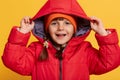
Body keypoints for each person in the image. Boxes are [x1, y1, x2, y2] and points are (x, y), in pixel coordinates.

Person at [2, 0, 120, 80]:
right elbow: (12, 61)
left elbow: (109, 62)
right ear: (46, 28)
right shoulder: (36, 50)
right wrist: (22, 33)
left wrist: (103, 34)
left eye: (67, 23)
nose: (61, 28)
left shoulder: (84, 51)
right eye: (54, 23)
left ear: (75, 29)